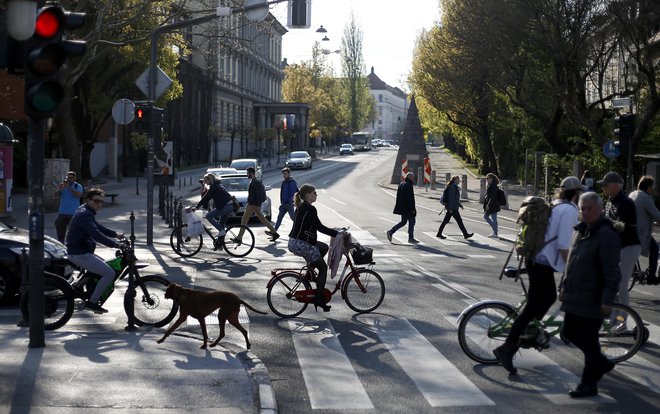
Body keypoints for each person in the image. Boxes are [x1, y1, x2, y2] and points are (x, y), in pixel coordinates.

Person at [493, 176, 583, 375]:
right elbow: (563, 245)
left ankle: (530, 333)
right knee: (535, 304)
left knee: (547, 298)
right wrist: (572, 269)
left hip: (538, 259)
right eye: (580, 192)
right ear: (575, 193)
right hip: (542, 262)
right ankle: (508, 347)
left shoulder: (557, 204)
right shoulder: (568, 210)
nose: (581, 196)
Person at [561, 191, 621, 398]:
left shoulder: (606, 235)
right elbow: (572, 262)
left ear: (599, 209)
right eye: (582, 208)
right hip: (575, 294)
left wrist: (607, 300)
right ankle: (602, 363)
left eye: (589, 208)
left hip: (593, 297)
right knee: (569, 333)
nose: (585, 212)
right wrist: (563, 286)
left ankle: (588, 384)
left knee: (589, 340)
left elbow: (612, 272)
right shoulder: (581, 230)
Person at [66, 188, 126, 314]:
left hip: (81, 251)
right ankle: (92, 302)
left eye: (101, 202)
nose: (98, 204)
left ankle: (85, 288)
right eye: (96, 201)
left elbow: (98, 227)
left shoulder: (85, 210)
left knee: (105, 265)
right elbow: (96, 235)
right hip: (79, 253)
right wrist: (116, 245)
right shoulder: (85, 214)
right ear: (88, 200)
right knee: (109, 273)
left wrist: (116, 235)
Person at [288, 184, 339, 312]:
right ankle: (319, 299)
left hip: (295, 241)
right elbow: (319, 227)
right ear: (308, 194)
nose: (316, 195)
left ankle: (309, 273)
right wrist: (337, 234)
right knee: (322, 268)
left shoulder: (300, 207)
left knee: (323, 247)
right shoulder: (310, 209)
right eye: (314, 193)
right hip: (302, 243)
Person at [599, 172, 641, 308]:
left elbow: (622, 226)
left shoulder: (626, 202)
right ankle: (614, 319)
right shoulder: (610, 201)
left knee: (620, 284)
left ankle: (622, 321)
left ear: (616, 186)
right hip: (617, 247)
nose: (603, 188)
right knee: (611, 284)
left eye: (605, 185)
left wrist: (604, 222)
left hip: (629, 246)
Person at [630, 175, 660, 285]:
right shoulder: (646, 198)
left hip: (631, 231)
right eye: (652, 186)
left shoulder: (633, 194)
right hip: (640, 232)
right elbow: (656, 214)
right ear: (648, 186)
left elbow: (642, 213)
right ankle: (651, 277)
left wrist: (655, 222)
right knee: (655, 248)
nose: (653, 188)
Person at [236, 166, 278, 242]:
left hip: (253, 205)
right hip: (253, 205)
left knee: (244, 220)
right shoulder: (255, 182)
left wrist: (258, 205)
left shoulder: (255, 183)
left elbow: (258, 195)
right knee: (263, 220)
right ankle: (274, 232)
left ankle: (239, 238)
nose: (247, 175)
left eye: (247, 173)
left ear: (251, 173)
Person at [196, 173, 235, 237]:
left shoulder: (213, 187)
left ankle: (221, 231)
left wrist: (197, 207)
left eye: (206, 180)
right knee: (221, 224)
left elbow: (206, 197)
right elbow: (207, 198)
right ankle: (220, 243)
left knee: (208, 216)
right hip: (229, 206)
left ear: (210, 180)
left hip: (226, 206)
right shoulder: (217, 185)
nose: (205, 182)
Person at [386, 172, 418, 243]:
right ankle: (411, 238)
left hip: (402, 208)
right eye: (413, 178)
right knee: (412, 222)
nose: (413, 179)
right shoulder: (408, 185)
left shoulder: (402, 183)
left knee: (403, 222)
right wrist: (412, 209)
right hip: (408, 208)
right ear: (410, 178)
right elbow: (410, 198)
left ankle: (391, 232)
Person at [54, 171, 83, 243]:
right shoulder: (63, 186)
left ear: (74, 178)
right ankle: (61, 245)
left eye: (71, 178)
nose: (69, 179)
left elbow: (78, 195)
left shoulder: (78, 186)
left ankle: (71, 246)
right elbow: (55, 196)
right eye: (68, 178)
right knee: (60, 232)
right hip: (62, 212)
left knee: (73, 232)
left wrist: (69, 188)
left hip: (73, 213)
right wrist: (59, 189)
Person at [273, 167, 298, 233]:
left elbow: (292, 194)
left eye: (286, 174)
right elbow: (282, 193)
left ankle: (299, 230)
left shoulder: (292, 182)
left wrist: (289, 202)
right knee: (279, 218)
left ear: (289, 174)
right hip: (284, 204)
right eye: (283, 174)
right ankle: (274, 232)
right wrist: (282, 202)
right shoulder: (284, 182)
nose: (284, 175)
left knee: (293, 218)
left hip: (289, 204)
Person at [483, 173, 501, 238]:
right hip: (491, 204)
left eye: (488, 178)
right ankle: (495, 229)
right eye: (486, 178)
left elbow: (492, 197)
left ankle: (495, 232)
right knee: (486, 216)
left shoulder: (493, 185)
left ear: (492, 178)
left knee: (493, 218)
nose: (487, 180)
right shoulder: (490, 185)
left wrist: (488, 205)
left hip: (493, 205)